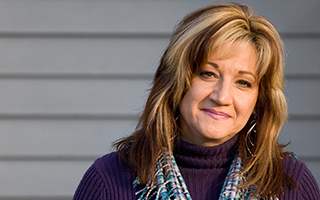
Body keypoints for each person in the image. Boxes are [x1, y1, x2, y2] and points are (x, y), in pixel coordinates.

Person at [73, 3, 320, 200]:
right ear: (176, 81)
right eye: (207, 74)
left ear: (260, 100)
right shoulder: (109, 180)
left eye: (243, 82)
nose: (222, 97)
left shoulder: (291, 183)